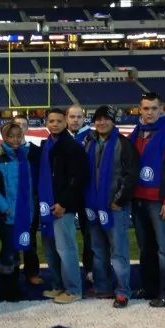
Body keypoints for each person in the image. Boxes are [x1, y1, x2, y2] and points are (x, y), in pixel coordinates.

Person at [130, 92, 165, 308]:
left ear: (162, 109)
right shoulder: (136, 133)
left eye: (154, 108)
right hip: (138, 199)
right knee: (146, 248)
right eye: (146, 108)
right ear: (140, 109)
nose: (150, 112)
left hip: (159, 201)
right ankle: (150, 287)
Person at [85, 106, 139, 308]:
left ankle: (123, 291)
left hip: (115, 207)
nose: (102, 122)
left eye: (106, 119)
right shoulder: (89, 143)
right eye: (98, 119)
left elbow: (131, 175)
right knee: (98, 250)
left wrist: (119, 200)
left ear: (113, 121)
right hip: (94, 206)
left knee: (119, 251)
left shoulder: (123, 144)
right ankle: (102, 287)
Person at [38, 108, 89, 304]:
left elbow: (78, 178)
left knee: (66, 248)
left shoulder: (72, 147)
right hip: (48, 205)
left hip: (62, 207)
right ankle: (58, 285)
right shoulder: (47, 145)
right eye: (51, 121)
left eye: (59, 121)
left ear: (65, 122)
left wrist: (64, 203)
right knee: (51, 248)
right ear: (46, 122)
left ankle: (73, 289)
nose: (55, 124)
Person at [0, 122, 34, 302]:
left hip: (23, 212)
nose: (15, 140)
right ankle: (4, 289)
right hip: (6, 214)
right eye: (11, 136)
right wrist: (4, 206)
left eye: (18, 136)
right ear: (3, 136)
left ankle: (14, 286)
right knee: (8, 249)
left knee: (17, 250)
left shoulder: (25, 154)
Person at [13, 114, 43, 285]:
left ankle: (31, 271)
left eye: (23, 125)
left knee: (30, 238)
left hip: (31, 199)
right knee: (10, 238)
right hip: (11, 200)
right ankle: (11, 272)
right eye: (17, 124)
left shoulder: (35, 151)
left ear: (27, 128)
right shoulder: (2, 151)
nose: (20, 127)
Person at [66, 105, 94, 284]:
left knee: (89, 232)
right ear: (66, 118)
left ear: (84, 119)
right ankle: (68, 273)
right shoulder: (60, 137)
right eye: (72, 117)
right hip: (66, 193)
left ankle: (90, 268)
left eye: (78, 117)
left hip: (86, 192)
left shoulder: (92, 136)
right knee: (65, 235)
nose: (75, 120)